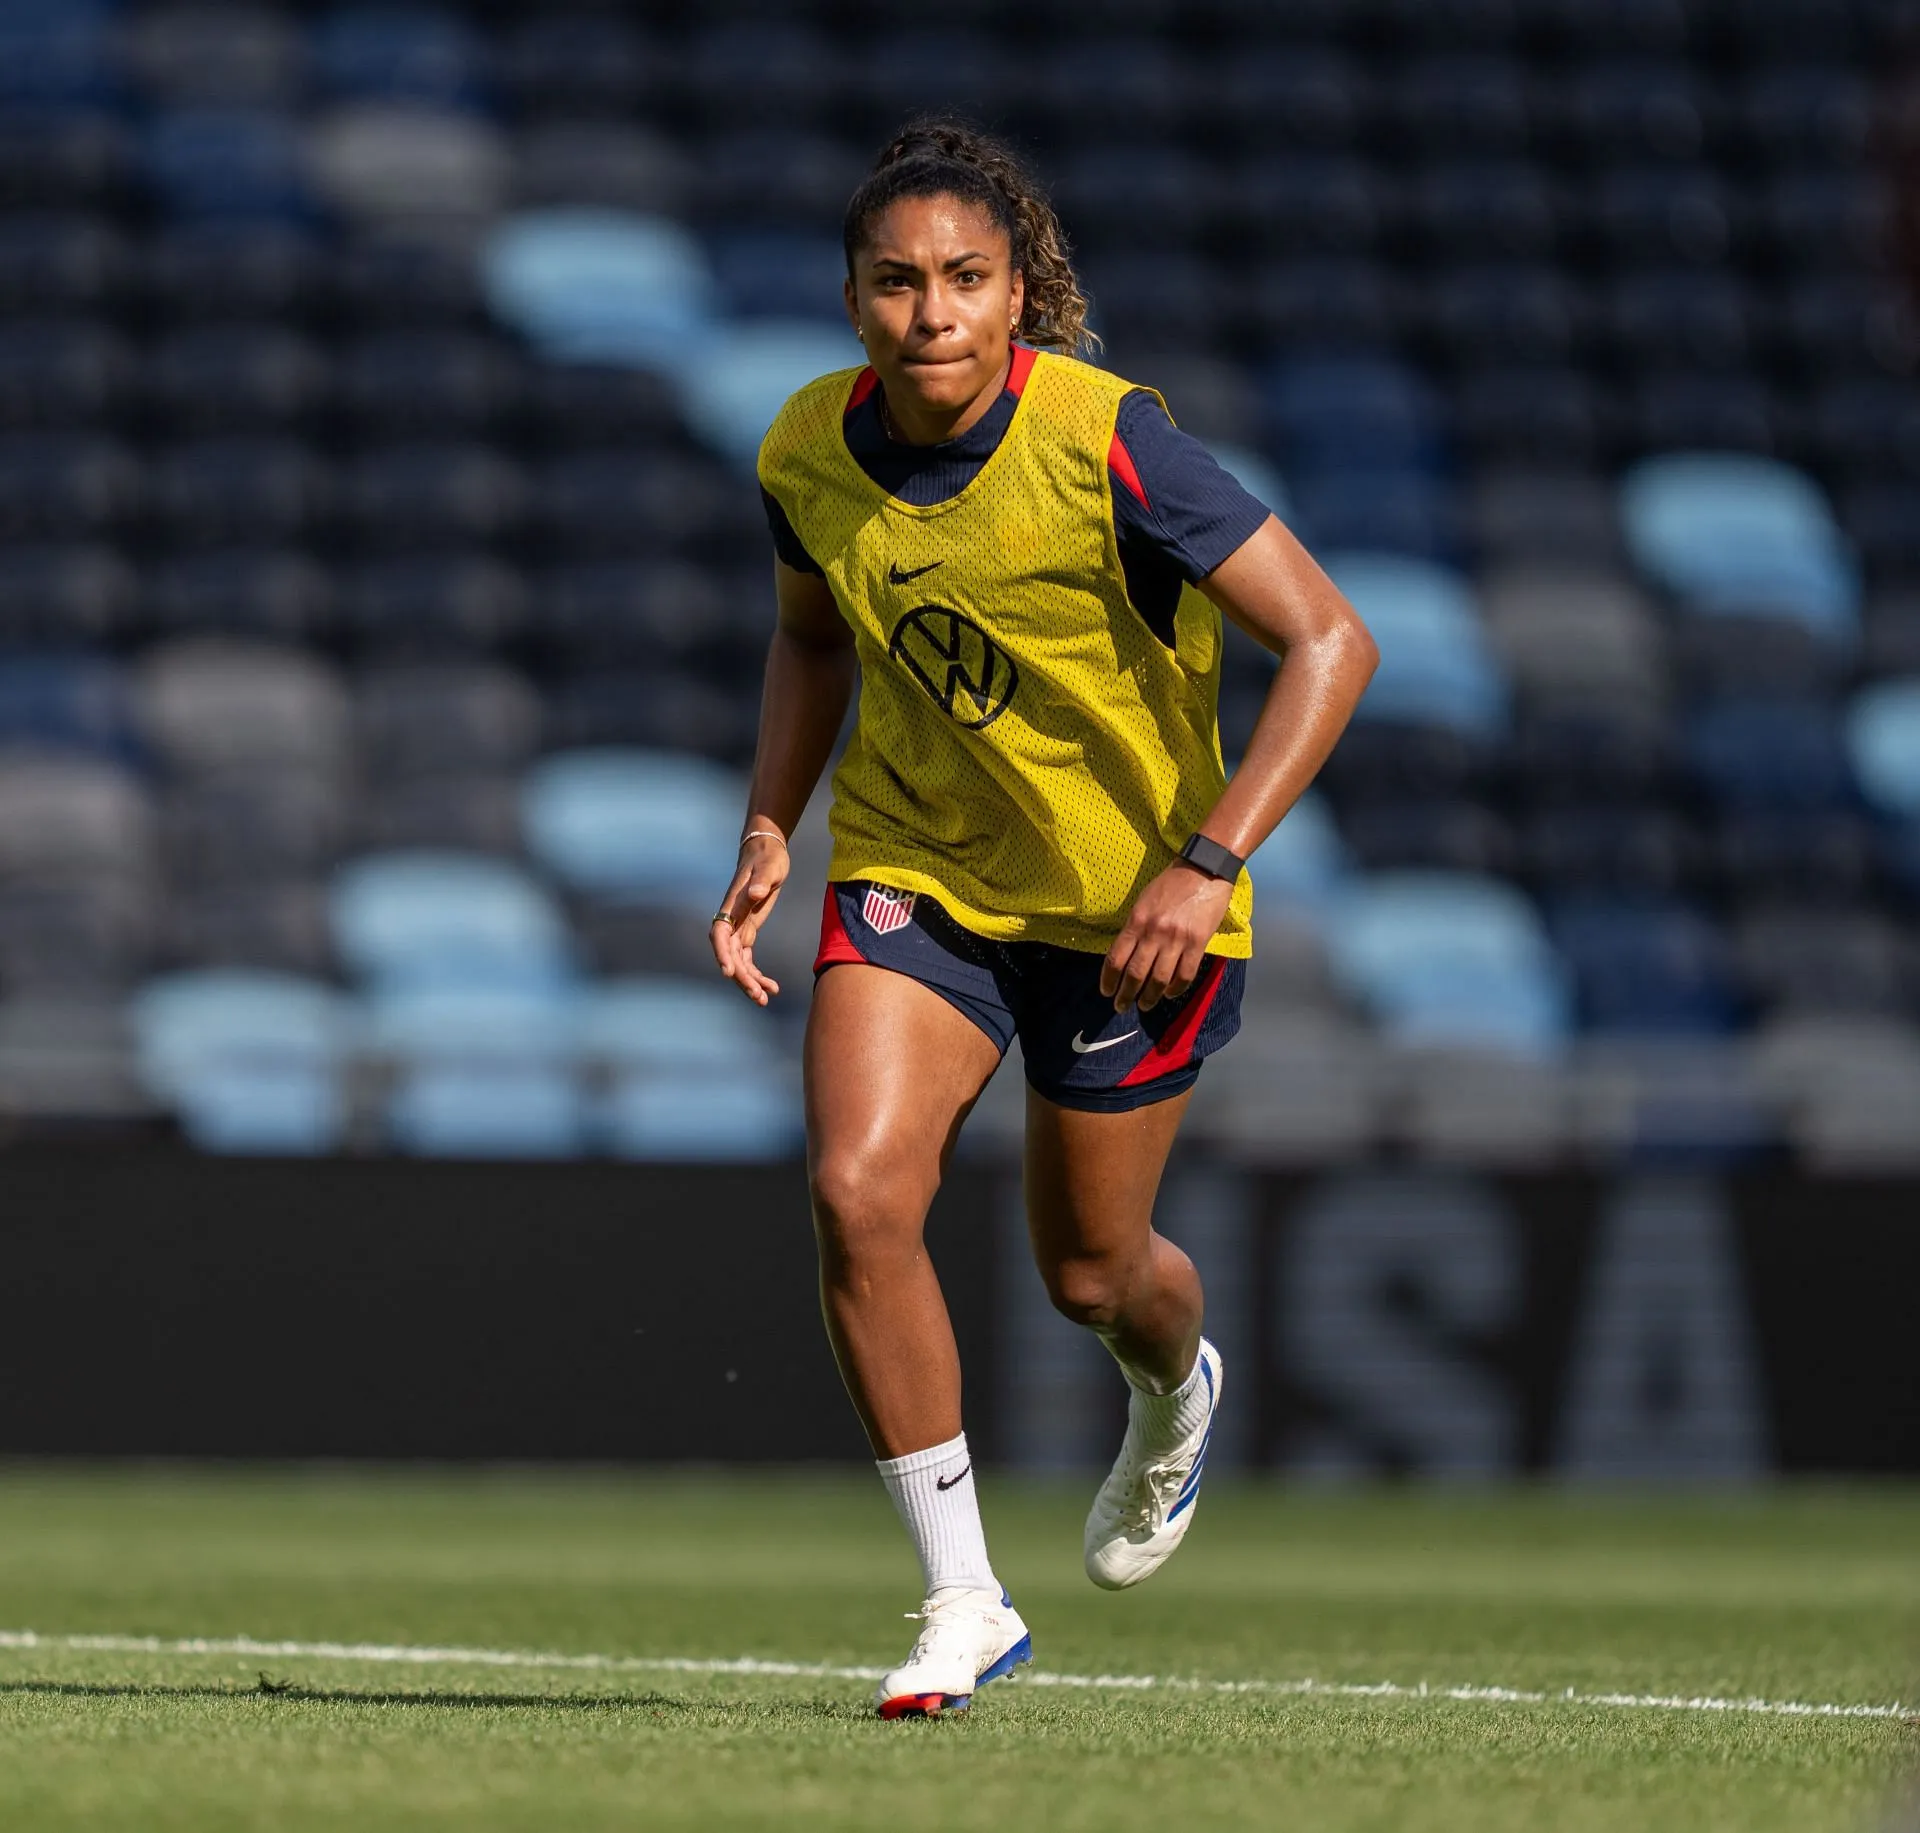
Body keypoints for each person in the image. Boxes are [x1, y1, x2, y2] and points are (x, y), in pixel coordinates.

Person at [710, 120, 1376, 1720]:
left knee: (1093, 1277)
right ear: (853, 301)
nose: (932, 311)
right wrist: (766, 827)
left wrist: (1206, 861)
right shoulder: (804, 447)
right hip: (917, 864)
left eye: (966, 278)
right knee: (858, 1191)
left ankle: (1174, 1388)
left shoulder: (1112, 440)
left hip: (1127, 908)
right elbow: (813, 642)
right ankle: (963, 1603)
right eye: (897, 281)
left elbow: (1334, 643)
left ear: (1019, 293)